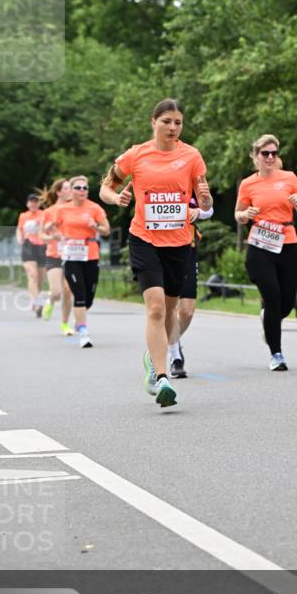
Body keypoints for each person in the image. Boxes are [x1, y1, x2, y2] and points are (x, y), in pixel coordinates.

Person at [100, 98, 212, 408]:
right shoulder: (136, 154)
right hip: (144, 239)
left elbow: (204, 200)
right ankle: (162, 379)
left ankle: (153, 358)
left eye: (178, 122)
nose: (173, 127)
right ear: (154, 123)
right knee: (156, 309)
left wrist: (203, 200)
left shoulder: (192, 156)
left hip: (179, 243)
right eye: (167, 121)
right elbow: (107, 186)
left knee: (172, 313)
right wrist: (114, 199)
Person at [235, 134, 297, 371]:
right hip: (260, 245)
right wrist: (245, 216)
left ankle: (269, 317)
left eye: (273, 153)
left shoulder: (289, 178)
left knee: (286, 302)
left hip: (287, 242)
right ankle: (276, 353)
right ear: (255, 156)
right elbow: (238, 214)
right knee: (273, 296)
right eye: (264, 153)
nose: (269, 157)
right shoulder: (248, 183)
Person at [49, 176, 110, 348]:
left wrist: (95, 227)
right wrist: (55, 234)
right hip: (71, 257)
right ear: (72, 191)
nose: (82, 190)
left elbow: (106, 230)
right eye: (78, 188)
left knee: (88, 298)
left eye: (85, 188)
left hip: (90, 255)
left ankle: (79, 318)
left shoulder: (94, 208)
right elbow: (52, 228)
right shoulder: (62, 210)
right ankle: (83, 332)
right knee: (80, 296)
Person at [167, 195, 214, 378]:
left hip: (187, 247)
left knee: (187, 311)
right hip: (160, 247)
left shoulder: (193, 175)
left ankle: (173, 339)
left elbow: (209, 210)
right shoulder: (154, 175)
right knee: (170, 306)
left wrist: (198, 212)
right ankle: (175, 357)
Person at [40, 179, 75, 334]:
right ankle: (50, 301)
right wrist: (52, 238)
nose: (70, 191)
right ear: (59, 192)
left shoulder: (75, 209)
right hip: (54, 255)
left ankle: (65, 324)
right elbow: (41, 234)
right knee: (56, 292)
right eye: (67, 188)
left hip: (72, 254)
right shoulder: (49, 212)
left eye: (71, 188)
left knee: (68, 292)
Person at [17, 193, 47, 316]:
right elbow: (19, 229)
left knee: (40, 278)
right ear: (28, 204)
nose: (33, 203)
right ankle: (36, 301)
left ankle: (37, 298)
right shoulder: (23, 216)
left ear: (39, 203)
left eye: (36, 201)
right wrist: (19, 238)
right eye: (31, 201)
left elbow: (49, 228)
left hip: (42, 246)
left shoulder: (44, 214)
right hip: (28, 246)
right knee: (32, 275)